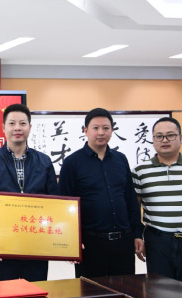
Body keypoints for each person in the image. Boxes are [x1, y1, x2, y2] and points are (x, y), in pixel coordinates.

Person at [0, 103, 59, 282]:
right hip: (3, 245)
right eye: (12, 123)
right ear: (3, 127)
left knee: (36, 293)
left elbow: (54, 202)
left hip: (37, 243)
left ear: (30, 127)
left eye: (22, 123)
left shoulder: (44, 161)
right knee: (5, 295)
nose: (17, 128)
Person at [59, 108, 144, 278]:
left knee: (125, 290)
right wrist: (70, 241)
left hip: (123, 241)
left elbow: (130, 199)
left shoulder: (121, 159)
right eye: (95, 128)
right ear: (86, 131)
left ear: (112, 130)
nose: (101, 132)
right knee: (92, 291)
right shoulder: (72, 163)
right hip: (91, 243)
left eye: (106, 128)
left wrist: (137, 234)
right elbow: (64, 205)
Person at [132, 117, 182, 287]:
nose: (165, 140)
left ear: (181, 138)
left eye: (170, 135)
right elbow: (134, 208)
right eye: (159, 136)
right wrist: (138, 237)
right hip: (157, 241)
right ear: (153, 139)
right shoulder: (140, 171)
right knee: (159, 291)